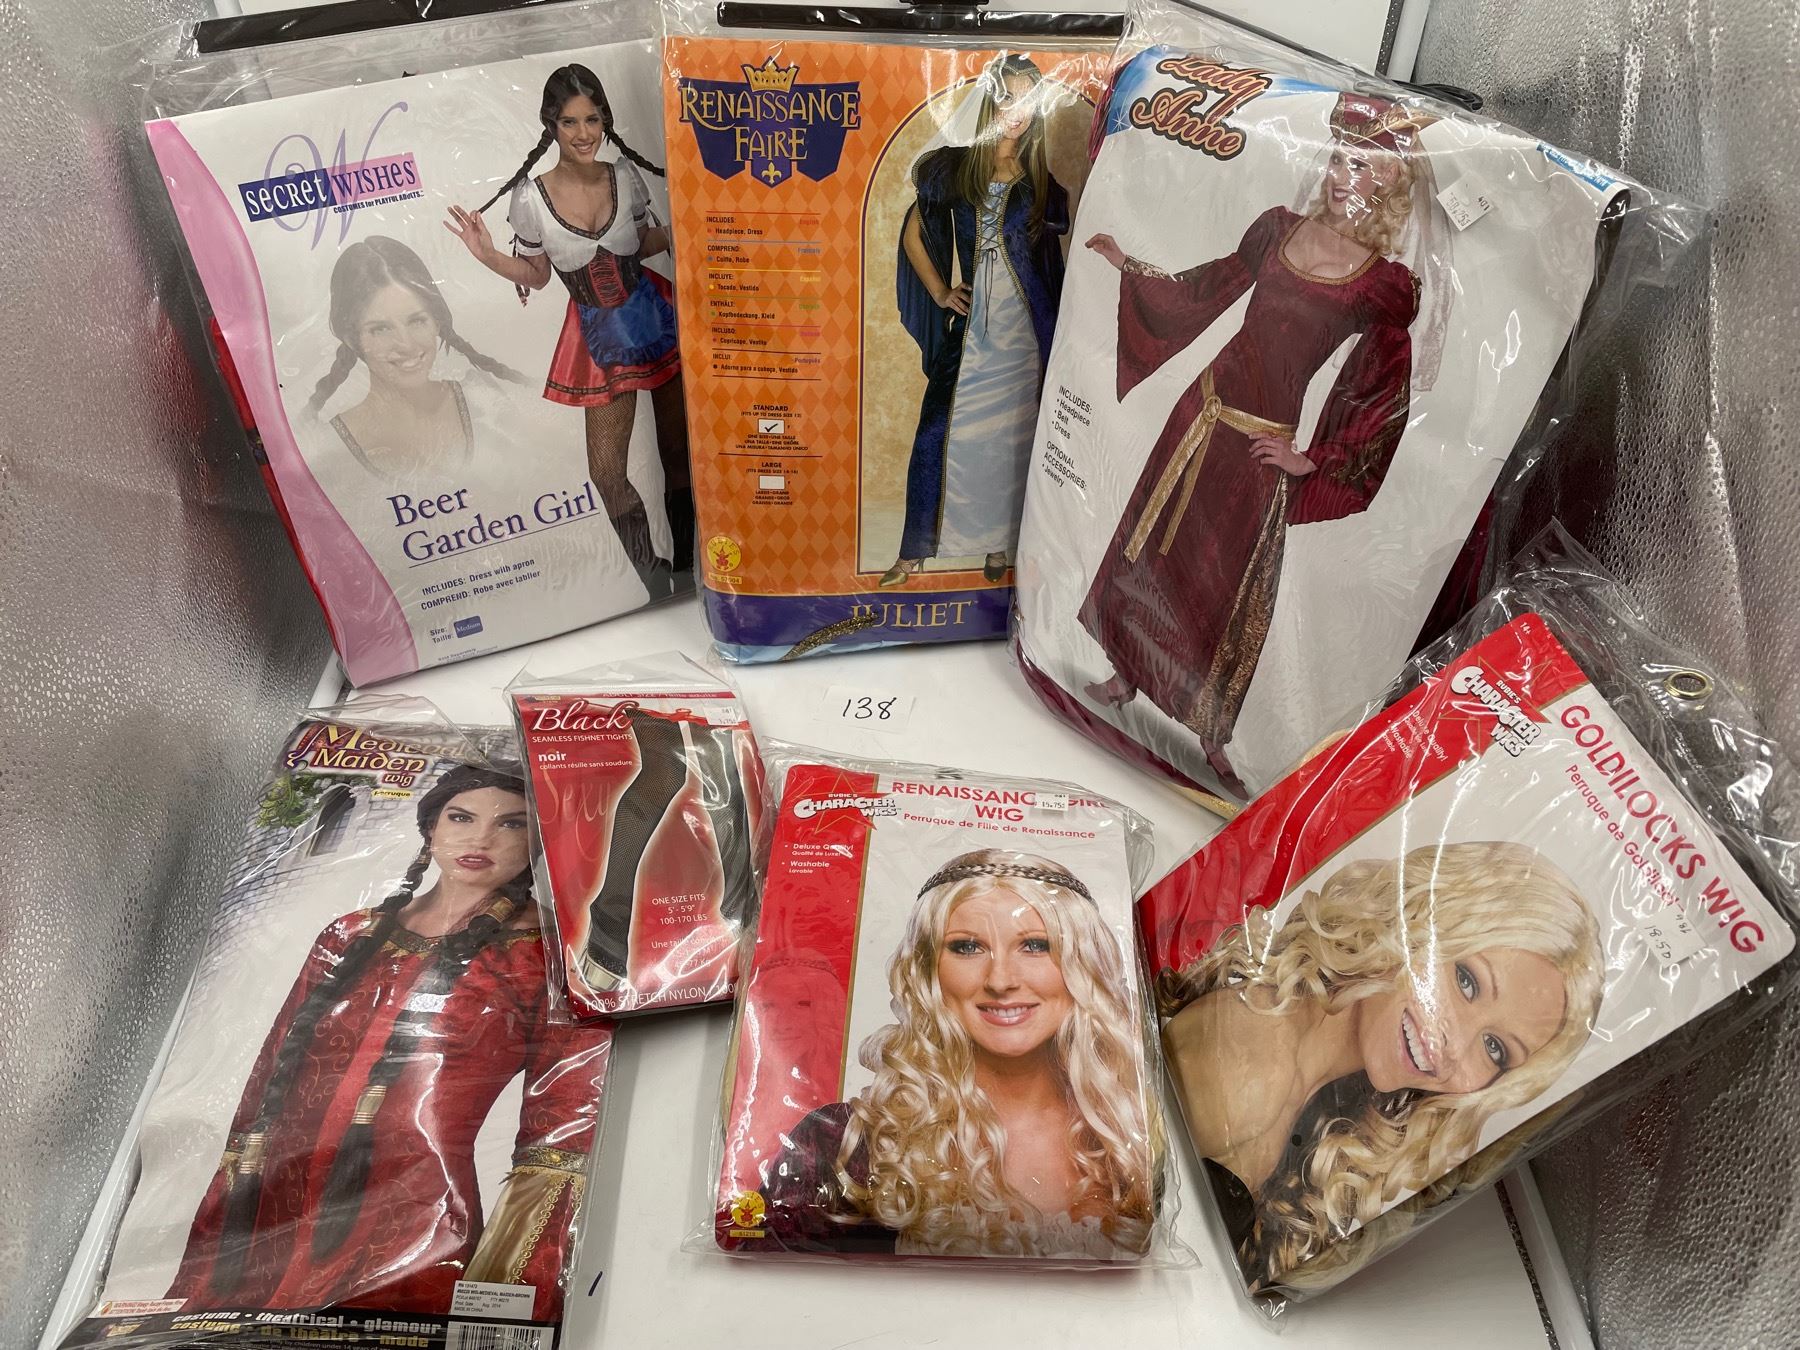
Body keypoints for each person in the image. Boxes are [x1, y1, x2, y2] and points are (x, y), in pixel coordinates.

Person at [1079, 92, 1450, 797]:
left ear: (1391, 184)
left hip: (1257, 452)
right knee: (1153, 550)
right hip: (1199, 416)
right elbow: (1210, 286)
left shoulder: (1384, 287)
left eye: (1362, 167)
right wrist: (1132, 266)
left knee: (1222, 588)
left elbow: (1380, 396)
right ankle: (1127, 673)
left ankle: (1211, 736)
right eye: (1339, 160)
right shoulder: (1278, 228)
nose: (1342, 176)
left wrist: (1316, 459)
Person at [167, 765, 607, 1318]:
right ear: (430, 829)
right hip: (269, 1205)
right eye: (461, 818)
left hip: (414, 1221)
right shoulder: (349, 934)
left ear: (537, 843)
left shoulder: (546, 958)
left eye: (511, 824)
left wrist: (517, 1279)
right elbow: (269, 1071)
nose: (481, 838)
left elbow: (565, 1124)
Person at [1156, 841, 1603, 1289]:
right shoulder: (1256, 1069)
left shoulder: (1328, 1108)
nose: (1453, 1046)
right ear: (1413, 918)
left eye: (1495, 1048)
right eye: (1467, 981)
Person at [763, 849, 1155, 1258]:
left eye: (1035, 945)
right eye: (968, 947)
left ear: (1084, 965)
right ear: (927, 971)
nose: (1000, 980)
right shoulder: (842, 1144)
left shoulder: (1127, 1139)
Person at [446, 64, 690, 598]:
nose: (584, 133)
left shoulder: (624, 176)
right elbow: (536, 274)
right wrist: (486, 255)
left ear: (605, 120)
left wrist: (691, 225)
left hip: (658, 316)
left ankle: (691, 571)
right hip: (598, 338)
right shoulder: (531, 199)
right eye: (570, 121)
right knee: (606, 473)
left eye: (593, 119)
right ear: (551, 125)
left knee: (679, 454)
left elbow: (642, 245)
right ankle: (654, 581)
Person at [882, 55, 1071, 588]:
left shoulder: (1041, 184)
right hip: (974, 334)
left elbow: (1052, 264)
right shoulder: (956, 168)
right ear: (990, 100)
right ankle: (913, 553)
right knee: (935, 433)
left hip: (1026, 337)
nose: (1018, 111)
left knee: (1012, 443)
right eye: (1008, 97)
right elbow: (914, 235)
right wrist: (941, 292)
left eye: (1029, 100)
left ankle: (998, 545)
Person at [305, 236, 527, 478]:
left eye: (417, 321)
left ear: (436, 321)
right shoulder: (329, 449)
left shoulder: (485, 399)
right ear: (352, 338)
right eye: (381, 329)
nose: (406, 344)